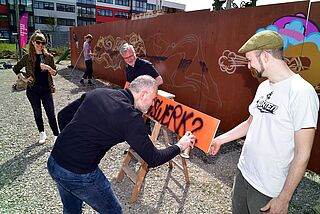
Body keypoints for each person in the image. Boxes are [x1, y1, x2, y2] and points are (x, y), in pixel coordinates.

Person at [47, 75, 196, 213]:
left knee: (71, 209)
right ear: (143, 94)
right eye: (153, 98)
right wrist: (180, 146)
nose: (153, 103)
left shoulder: (100, 92)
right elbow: (153, 158)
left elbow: (63, 116)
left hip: (55, 160)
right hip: (79, 174)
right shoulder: (130, 118)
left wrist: (73, 145)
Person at [209, 30, 319, 214]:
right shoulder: (263, 87)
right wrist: (221, 139)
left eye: (250, 59)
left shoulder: (302, 93)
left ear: (266, 56)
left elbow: (303, 153)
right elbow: (250, 123)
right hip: (243, 174)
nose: (249, 64)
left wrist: (284, 198)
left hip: (268, 189)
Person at [13, 30, 59, 143]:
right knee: (37, 112)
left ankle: (56, 135)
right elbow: (16, 68)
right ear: (33, 42)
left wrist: (48, 68)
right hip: (32, 89)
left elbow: (55, 73)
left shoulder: (48, 57)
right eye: (38, 42)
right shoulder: (27, 57)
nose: (40, 45)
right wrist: (24, 79)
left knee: (51, 113)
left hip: (46, 89)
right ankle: (42, 133)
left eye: (43, 43)